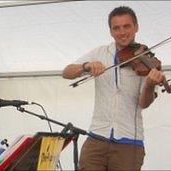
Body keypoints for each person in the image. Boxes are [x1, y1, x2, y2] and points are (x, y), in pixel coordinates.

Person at [62, 6, 165, 170]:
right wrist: (86, 66)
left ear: (136, 27)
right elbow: (66, 72)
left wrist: (150, 85)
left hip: (129, 143)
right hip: (96, 138)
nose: (122, 32)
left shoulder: (147, 60)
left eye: (127, 26)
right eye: (116, 28)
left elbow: (144, 103)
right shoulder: (100, 52)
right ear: (110, 31)